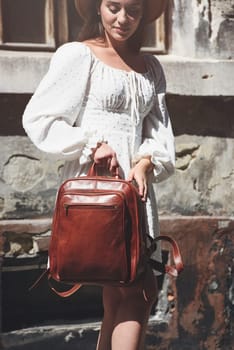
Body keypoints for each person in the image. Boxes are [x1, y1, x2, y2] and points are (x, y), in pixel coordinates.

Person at [22, 0, 175, 349]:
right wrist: (92, 143)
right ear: (97, 8)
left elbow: (159, 132)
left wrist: (146, 162)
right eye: (113, 7)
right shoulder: (77, 56)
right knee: (139, 292)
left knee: (120, 296)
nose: (123, 18)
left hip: (135, 191)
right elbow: (39, 118)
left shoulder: (150, 67)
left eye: (133, 10)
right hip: (99, 189)